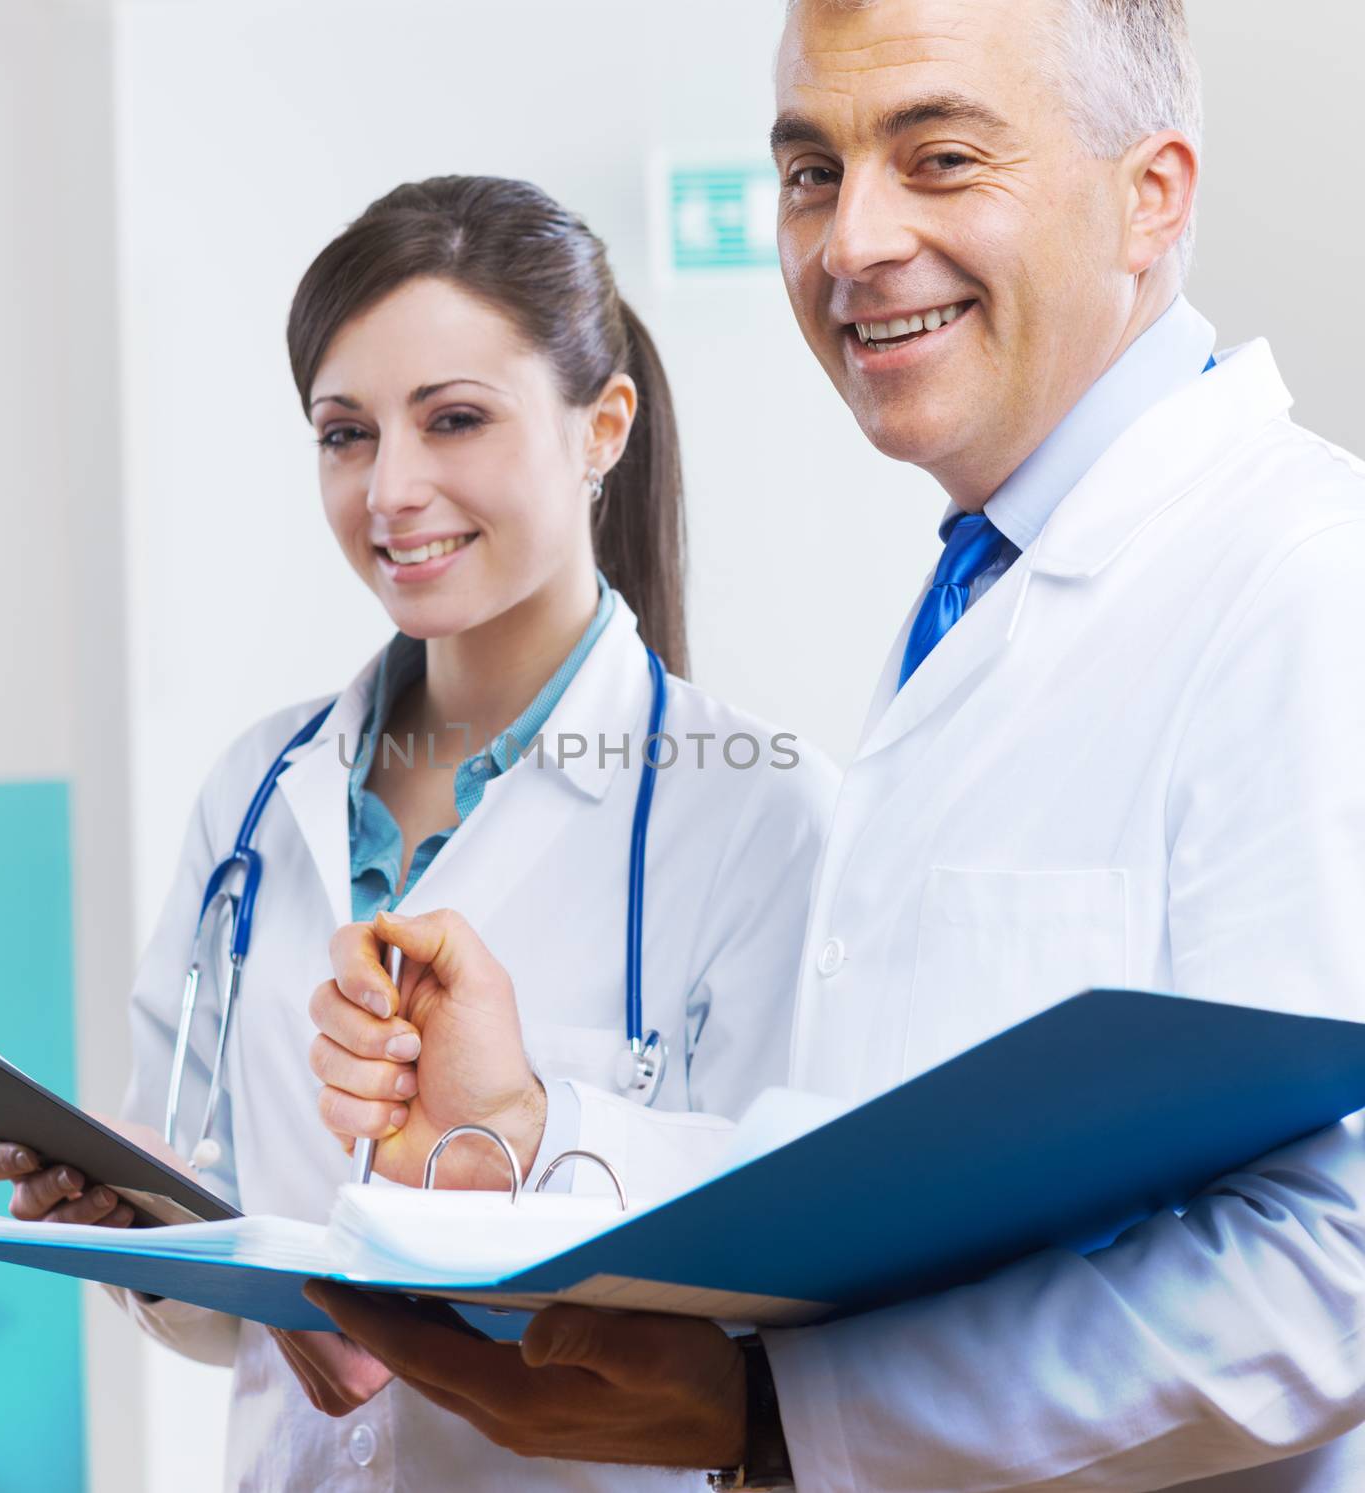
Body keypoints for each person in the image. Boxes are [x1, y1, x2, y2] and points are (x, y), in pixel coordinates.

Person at [303, 3, 1365, 1489]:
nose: (851, 239)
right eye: (812, 171)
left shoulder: (1308, 588)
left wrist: (787, 1417)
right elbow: (884, 1179)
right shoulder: (978, 590)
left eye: (937, 158)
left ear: (1153, 195)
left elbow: (1337, 1271)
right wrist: (526, 1123)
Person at [0, 174, 837, 1490]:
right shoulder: (259, 788)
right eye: (347, 433)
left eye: (455, 421)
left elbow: (784, 1292)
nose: (393, 488)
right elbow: (221, 1308)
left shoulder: (761, 809)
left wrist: (525, 1146)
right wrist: (140, 1221)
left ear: (603, 426)